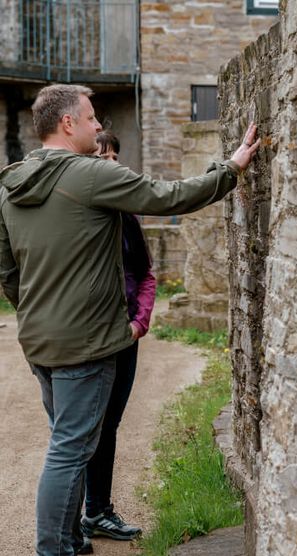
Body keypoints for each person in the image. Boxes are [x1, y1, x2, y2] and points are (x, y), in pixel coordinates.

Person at [0, 84, 259, 556]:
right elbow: (169, 197)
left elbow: (7, 272)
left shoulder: (10, 182)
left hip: (39, 340)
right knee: (69, 451)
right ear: (68, 124)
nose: (99, 126)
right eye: (92, 117)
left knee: (70, 444)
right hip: (87, 343)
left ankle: (72, 542)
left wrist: (38, 312)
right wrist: (231, 167)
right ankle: (52, 550)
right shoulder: (89, 174)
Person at [77, 130, 155, 551]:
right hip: (90, 336)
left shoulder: (127, 211)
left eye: (114, 157)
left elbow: (145, 272)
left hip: (126, 336)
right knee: (79, 432)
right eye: (101, 155)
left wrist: (139, 323)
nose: (109, 163)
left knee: (109, 426)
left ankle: (98, 511)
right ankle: (70, 527)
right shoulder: (83, 212)